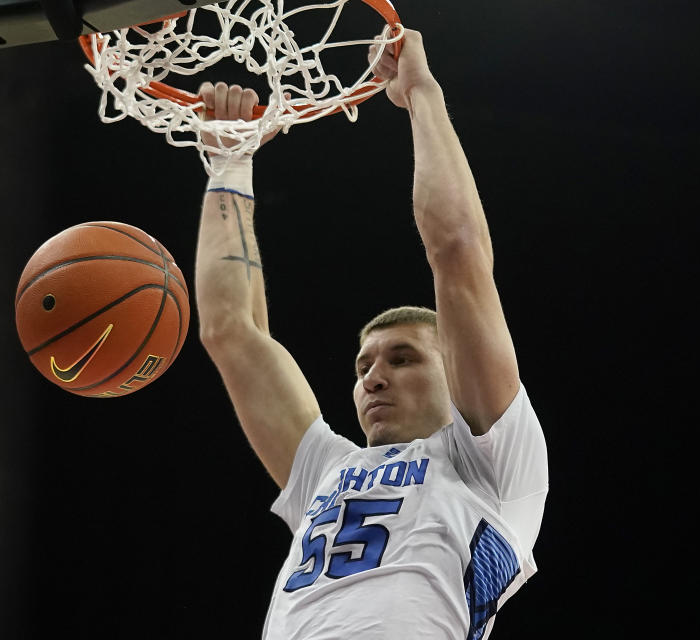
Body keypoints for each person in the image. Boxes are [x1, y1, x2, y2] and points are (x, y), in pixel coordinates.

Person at [193, 29, 548, 640]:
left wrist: (422, 95)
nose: (373, 376)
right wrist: (230, 161)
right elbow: (232, 330)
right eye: (362, 367)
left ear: (453, 369)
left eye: (403, 357)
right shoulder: (325, 473)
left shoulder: (490, 463)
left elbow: (457, 251)